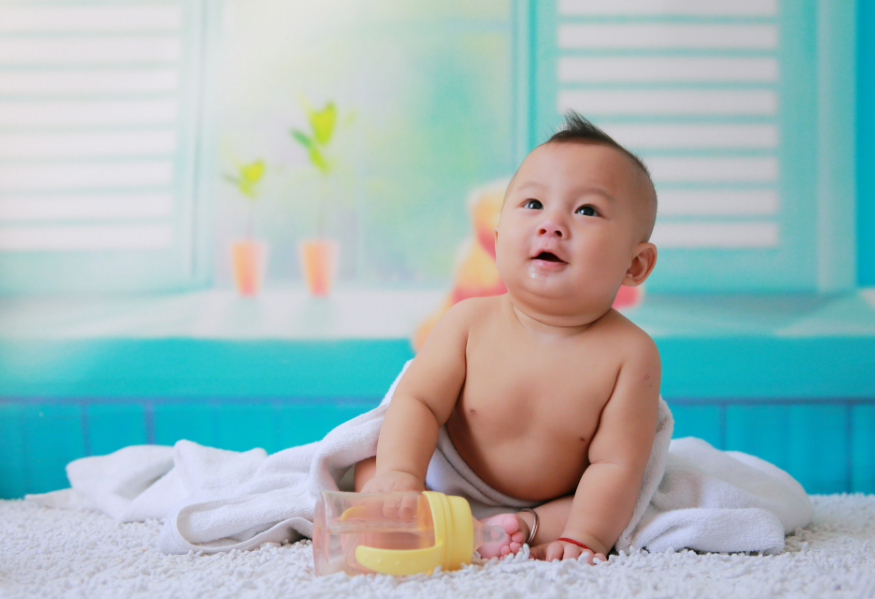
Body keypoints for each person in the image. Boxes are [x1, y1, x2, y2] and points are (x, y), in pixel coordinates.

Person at [354, 112, 661, 564]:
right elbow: (418, 402)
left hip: (554, 497)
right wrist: (401, 474)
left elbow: (615, 464)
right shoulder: (468, 323)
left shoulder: (629, 354)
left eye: (587, 210)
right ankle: (419, 512)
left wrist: (585, 538)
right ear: (498, 240)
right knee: (369, 467)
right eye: (533, 204)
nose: (551, 224)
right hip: (444, 476)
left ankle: (517, 528)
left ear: (635, 264)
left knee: (611, 503)